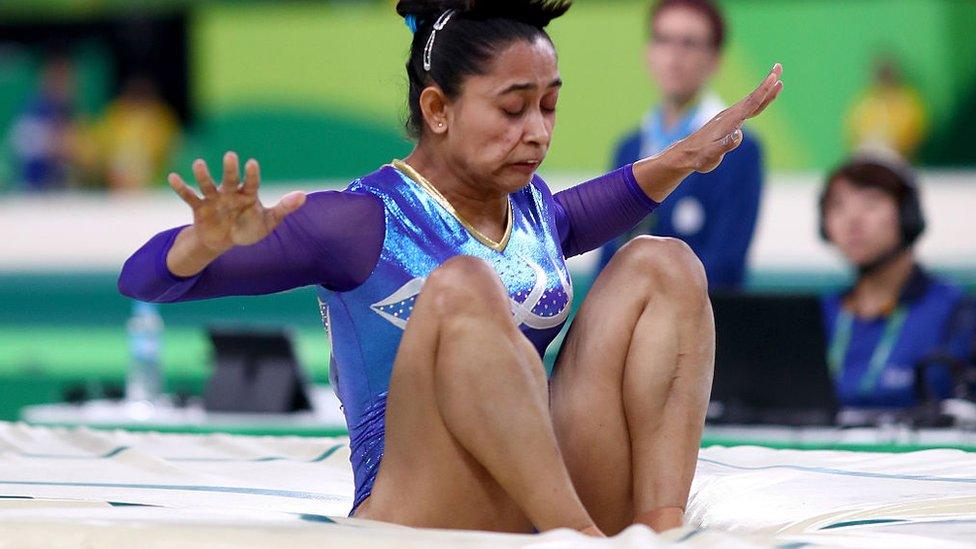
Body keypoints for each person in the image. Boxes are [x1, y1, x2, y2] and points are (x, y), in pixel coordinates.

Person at [118, 0, 782, 536]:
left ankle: (659, 528)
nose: (539, 132)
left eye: (549, 105)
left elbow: (607, 200)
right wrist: (202, 243)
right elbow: (142, 279)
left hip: (547, 500)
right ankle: (576, 538)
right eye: (513, 107)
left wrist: (684, 155)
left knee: (662, 263)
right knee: (465, 285)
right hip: (424, 508)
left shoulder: (535, 209)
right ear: (438, 110)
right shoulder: (361, 220)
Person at [597, 0, 764, 291]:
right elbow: (606, 257)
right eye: (663, 40)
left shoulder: (740, 150)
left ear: (715, 59)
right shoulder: (628, 147)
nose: (673, 56)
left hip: (696, 323)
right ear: (648, 53)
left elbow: (725, 266)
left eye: (689, 43)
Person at [820, 157, 974, 409]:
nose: (852, 220)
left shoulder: (957, 313)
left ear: (907, 214)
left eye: (871, 203)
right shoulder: (820, 312)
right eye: (837, 206)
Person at [7, 53, 81, 192]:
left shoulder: (68, 111)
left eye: (71, 81)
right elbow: (26, 148)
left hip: (58, 188)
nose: (69, 86)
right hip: (32, 190)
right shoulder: (32, 111)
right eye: (62, 80)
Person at [846, 53, 928, 161]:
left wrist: (890, 144)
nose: (884, 78)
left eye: (887, 74)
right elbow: (853, 133)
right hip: (867, 158)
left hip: (899, 160)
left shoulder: (909, 103)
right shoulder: (864, 103)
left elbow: (916, 135)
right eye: (881, 74)